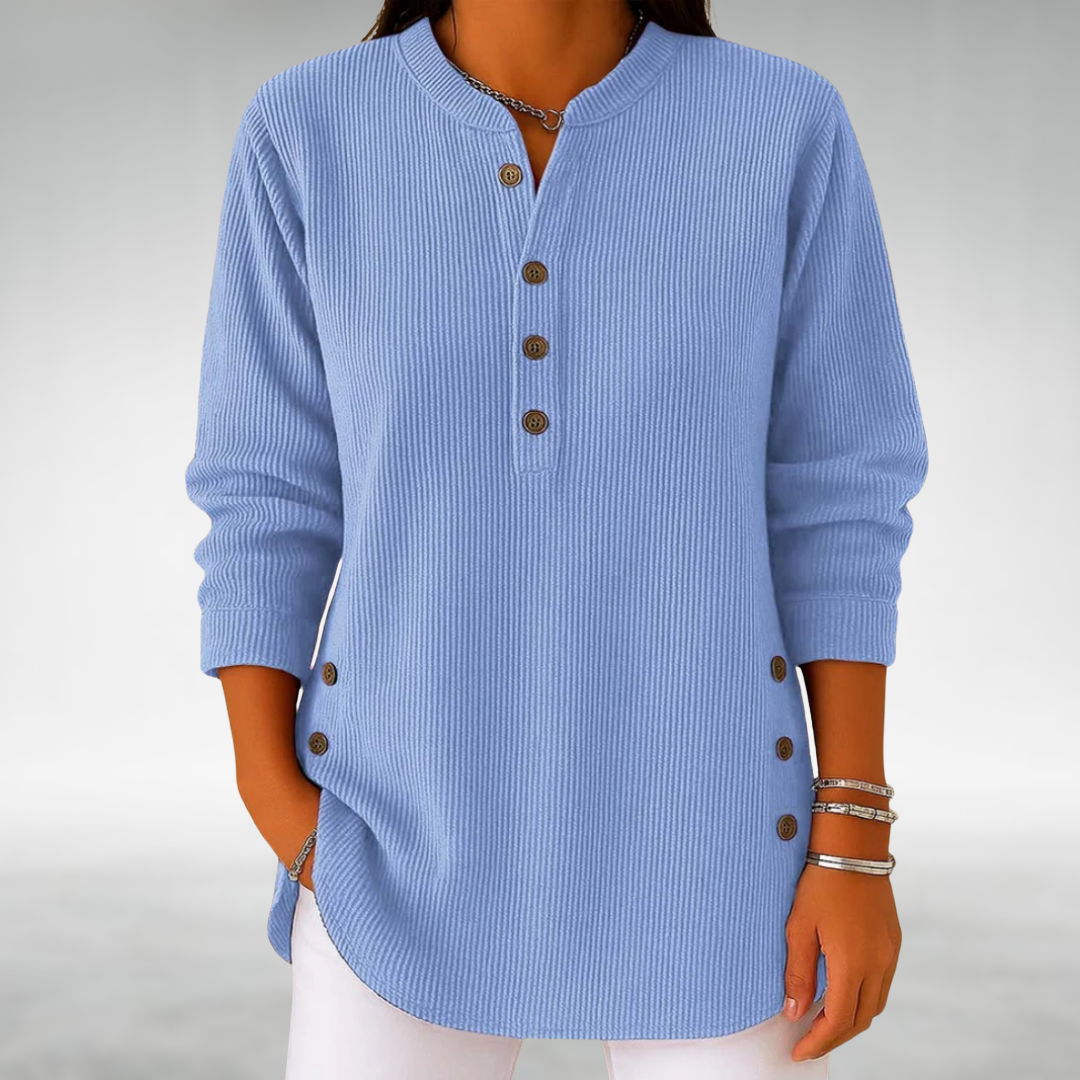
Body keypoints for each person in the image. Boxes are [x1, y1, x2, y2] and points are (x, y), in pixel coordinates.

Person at [184, 1, 928, 1076]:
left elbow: (839, 500)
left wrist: (853, 837)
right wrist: (281, 807)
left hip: (715, 847)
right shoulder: (307, 130)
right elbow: (265, 496)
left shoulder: (781, 126)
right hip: (391, 846)